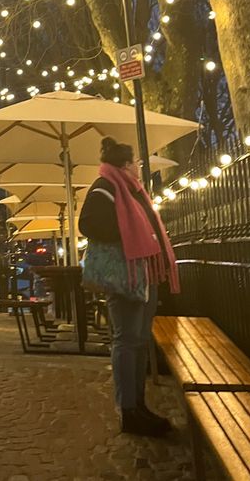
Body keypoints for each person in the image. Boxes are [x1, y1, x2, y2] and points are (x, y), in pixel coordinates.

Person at [78, 136, 180, 437]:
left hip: (142, 275)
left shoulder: (131, 189)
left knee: (136, 341)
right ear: (125, 164)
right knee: (126, 340)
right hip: (125, 277)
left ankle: (139, 404)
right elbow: (89, 224)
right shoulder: (106, 187)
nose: (139, 167)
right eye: (136, 162)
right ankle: (129, 409)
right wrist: (127, 235)